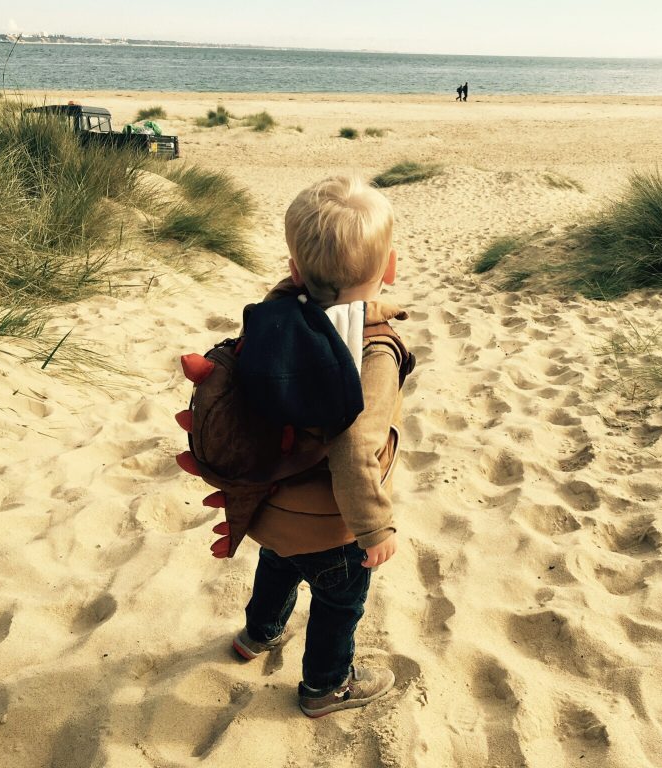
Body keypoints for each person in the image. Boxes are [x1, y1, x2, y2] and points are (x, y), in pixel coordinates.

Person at [231, 175, 414, 718]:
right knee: (339, 601)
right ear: (390, 269)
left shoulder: (277, 320)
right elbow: (355, 446)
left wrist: (294, 285)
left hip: (275, 507)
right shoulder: (375, 353)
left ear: (293, 272)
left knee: (278, 565)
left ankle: (257, 634)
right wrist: (374, 526)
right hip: (333, 525)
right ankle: (324, 687)